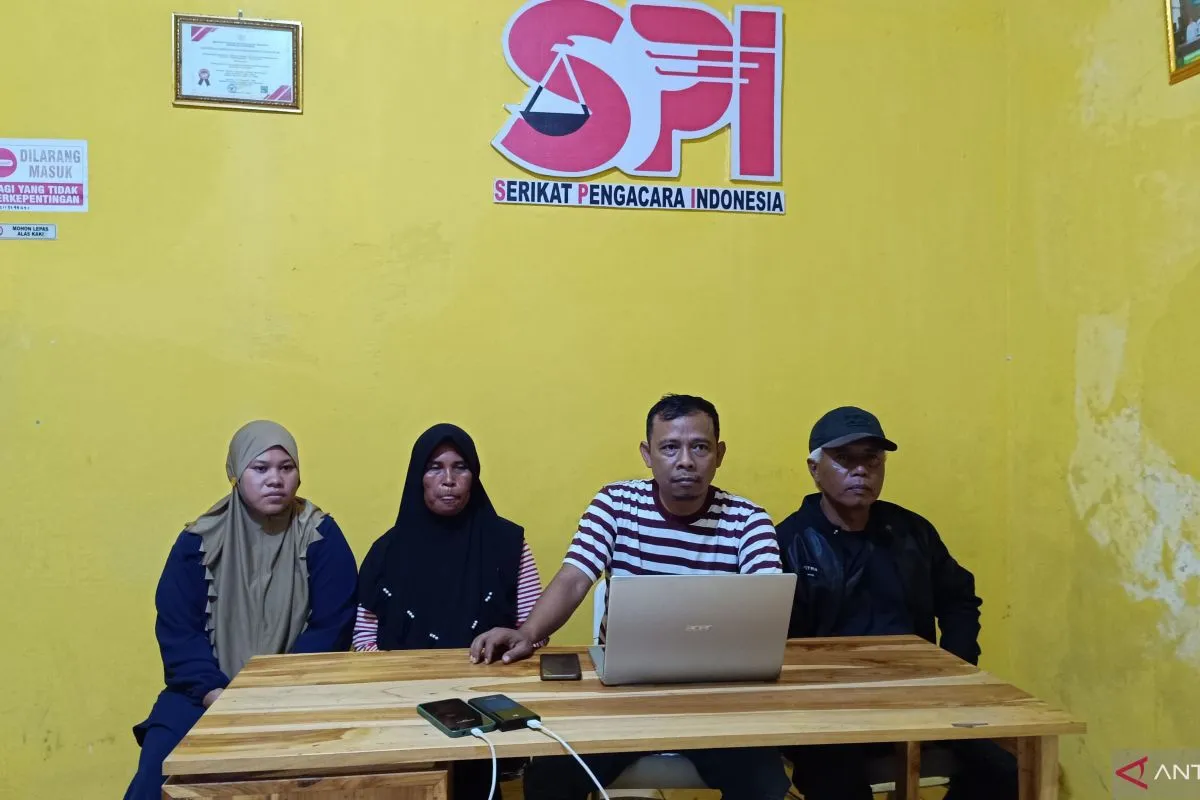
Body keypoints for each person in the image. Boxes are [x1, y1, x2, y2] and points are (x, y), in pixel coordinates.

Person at [470, 394, 791, 800]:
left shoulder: (749, 520)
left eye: (700, 447)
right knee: (549, 777)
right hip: (622, 696)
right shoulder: (616, 504)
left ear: (719, 454)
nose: (686, 461)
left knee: (766, 783)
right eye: (670, 447)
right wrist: (528, 633)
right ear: (647, 454)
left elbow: (766, 605)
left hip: (716, 699)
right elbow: (575, 578)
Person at [777, 406, 1016, 800]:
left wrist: (954, 670)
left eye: (872, 459)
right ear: (814, 469)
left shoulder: (911, 532)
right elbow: (778, 641)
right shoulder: (788, 543)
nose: (861, 470)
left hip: (918, 697)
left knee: (1005, 769)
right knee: (835, 780)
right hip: (828, 709)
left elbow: (959, 598)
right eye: (844, 459)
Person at [124, 421, 358, 800]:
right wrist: (216, 694)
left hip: (297, 692)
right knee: (157, 775)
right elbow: (180, 632)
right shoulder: (198, 542)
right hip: (204, 694)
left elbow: (332, 625)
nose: (275, 480)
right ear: (236, 473)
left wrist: (277, 691)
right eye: (260, 468)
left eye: (286, 468)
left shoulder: (320, 534)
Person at [353, 423, 544, 799]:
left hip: (487, 707)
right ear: (417, 477)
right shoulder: (386, 553)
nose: (449, 480)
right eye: (434, 468)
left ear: (474, 476)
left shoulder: (507, 544)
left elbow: (534, 630)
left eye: (460, 467)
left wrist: (507, 653)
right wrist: (401, 687)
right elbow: (363, 639)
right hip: (404, 705)